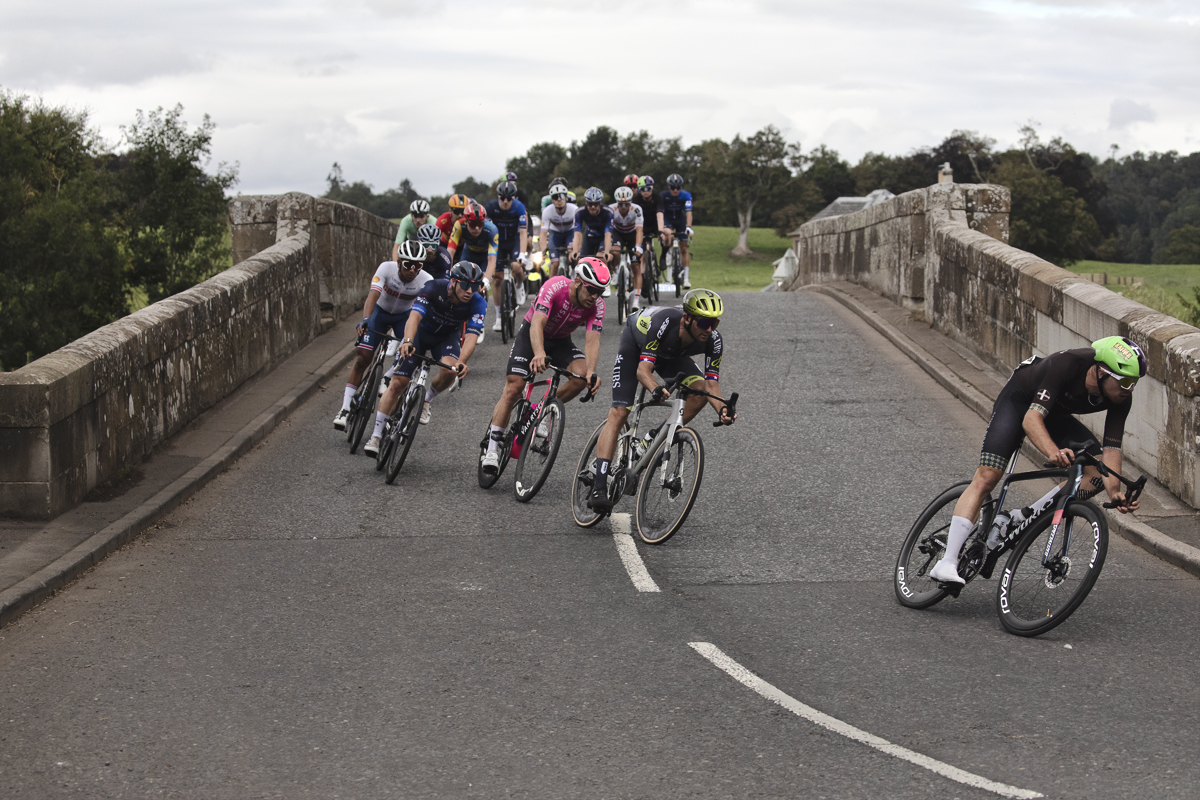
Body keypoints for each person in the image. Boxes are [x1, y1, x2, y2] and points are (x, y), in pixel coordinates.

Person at [928, 336, 1147, 584]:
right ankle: (946, 562)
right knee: (988, 476)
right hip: (1020, 402)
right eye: (1126, 382)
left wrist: (1115, 492)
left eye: (1135, 383)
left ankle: (1021, 517)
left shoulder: (1121, 397)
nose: (1130, 390)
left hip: (1054, 414)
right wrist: (1052, 451)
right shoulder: (1068, 364)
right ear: (1101, 371)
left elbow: (1112, 449)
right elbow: (1031, 419)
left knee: (1095, 474)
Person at [587, 289, 736, 511]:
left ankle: (652, 438)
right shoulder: (664, 322)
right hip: (637, 346)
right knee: (620, 412)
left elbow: (711, 385)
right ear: (687, 318)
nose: (710, 329)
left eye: (714, 322)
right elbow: (643, 371)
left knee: (699, 393)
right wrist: (655, 388)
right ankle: (599, 486)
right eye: (704, 323)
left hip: (671, 354)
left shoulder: (713, 340)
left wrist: (723, 409)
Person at [480, 258, 608, 474]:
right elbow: (537, 322)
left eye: (600, 291)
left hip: (560, 341)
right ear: (578, 280)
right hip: (533, 333)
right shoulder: (554, 287)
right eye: (591, 290)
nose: (595, 296)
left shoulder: (597, 305)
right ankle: (492, 447)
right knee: (514, 387)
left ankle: (542, 407)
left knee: (580, 378)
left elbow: (592, 339)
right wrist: (539, 352)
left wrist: (592, 372)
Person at [363, 262, 488, 457]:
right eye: (466, 285)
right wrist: (407, 341)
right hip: (420, 334)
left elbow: (471, 336)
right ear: (454, 282)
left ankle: (426, 401)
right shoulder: (433, 287)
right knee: (398, 384)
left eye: (475, 286)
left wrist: (461, 361)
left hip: (446, 338)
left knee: (449, 371)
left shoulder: (478, 302)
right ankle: (376, 436)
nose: (470, 291)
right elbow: (413, 317)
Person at [333, 239, 433, 431]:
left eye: (418, 266)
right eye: (408, 264)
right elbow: (373, 295)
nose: (412, 270)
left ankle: (387, 376)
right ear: (398, 263)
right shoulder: (386, 269)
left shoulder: (425, 280)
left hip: (403, 317)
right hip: (380, 312)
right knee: (363, 358)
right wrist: (366, 319)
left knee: (409, 348)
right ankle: (345, 409)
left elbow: (424, 312)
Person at [485, 181, 530, 324]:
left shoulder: (519, 207)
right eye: (502, 198)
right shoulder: (491, 207)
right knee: (497, 278)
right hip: (498, 241)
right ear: (498, 197)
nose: (505, 202)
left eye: (509, 199)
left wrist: (522, 254)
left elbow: (523, 233)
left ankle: (519, 285)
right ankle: (498, 317)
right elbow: (486, 231)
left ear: (514, 198)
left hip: (514, 241)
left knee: (517, 267)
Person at [569, 187, 615, 295]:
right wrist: (575, 250)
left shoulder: (608, 212)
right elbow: (577, 233)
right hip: (589, 236)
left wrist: (607, 252)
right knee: (581, 260)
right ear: (586, 203)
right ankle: (582, 285)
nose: (593, 206)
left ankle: (605, 284)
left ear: (600, 203)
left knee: (601, 256)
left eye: (596, 204)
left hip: (603, 237)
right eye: (590, 204)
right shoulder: (580, 212)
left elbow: (608, 234)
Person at [609, 185, 645, 310]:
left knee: (636, 266)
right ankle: (615, 272)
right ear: (616, 203)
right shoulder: (611, 209)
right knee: (615, 251)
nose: (623, 207)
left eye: (626, 204)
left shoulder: (637, 209)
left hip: (632, 235)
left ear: (630, 203)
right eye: (620, 204)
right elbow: (608, 230)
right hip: (618, 233)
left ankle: (636, 300)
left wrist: (638, 246)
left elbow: (640, 230)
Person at [660, 173, 694, 289]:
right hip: (668, 219)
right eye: (673, 188)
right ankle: (666, 255)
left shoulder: (686, 195)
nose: (675, 190)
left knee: (684, 247)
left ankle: (686, 278)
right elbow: (659, 212)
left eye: (678, 188)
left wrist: (688, 227)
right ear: (669, 187)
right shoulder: (663, 195)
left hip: (680, 220)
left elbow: (689, 212)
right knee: (668, 236)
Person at [540, 183, 579, 278]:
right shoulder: (547, 211)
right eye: (555, 197)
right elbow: (543, 233)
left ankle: (575, 271)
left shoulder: (574, 209)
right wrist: (543, 249)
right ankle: (550, 289)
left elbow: (578, 232)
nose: (558, 199)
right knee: (554, 263)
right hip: (555, 234)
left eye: (561, 196)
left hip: (570, 232)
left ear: (566, 197)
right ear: (552, 200)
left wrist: (575, 247)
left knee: (574, 254)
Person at [632, 176, 662, 298]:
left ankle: (662, 258)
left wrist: (660, 231)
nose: (645, 191)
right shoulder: (636, 200)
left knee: (665, 237)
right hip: (641, 228)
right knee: (642, 255)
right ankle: (644, 278)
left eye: (648, 188)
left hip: (653, 226)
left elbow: (660, 214)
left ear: (652, 188)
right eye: (643, 188)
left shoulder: (657, 198)